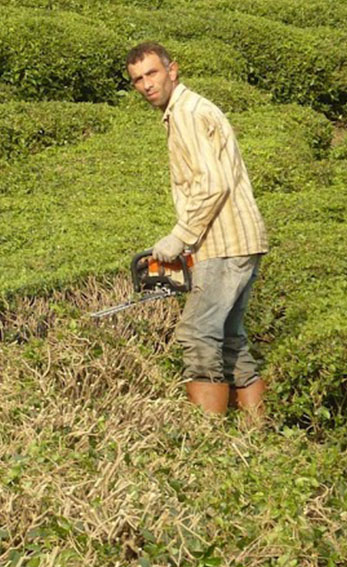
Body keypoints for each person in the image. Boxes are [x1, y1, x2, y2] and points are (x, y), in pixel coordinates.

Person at [125, 41, 269, 417]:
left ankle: (208, 436)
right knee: (230, 339)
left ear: (172, 71)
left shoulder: (187, 114)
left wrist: (181, 235)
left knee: (196, 333)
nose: (146, 84)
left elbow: (212, 184)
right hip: (237, 239)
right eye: (138, 79)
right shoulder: (190, 109)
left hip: (224, 242)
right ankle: (254, 434)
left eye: (152, 73)